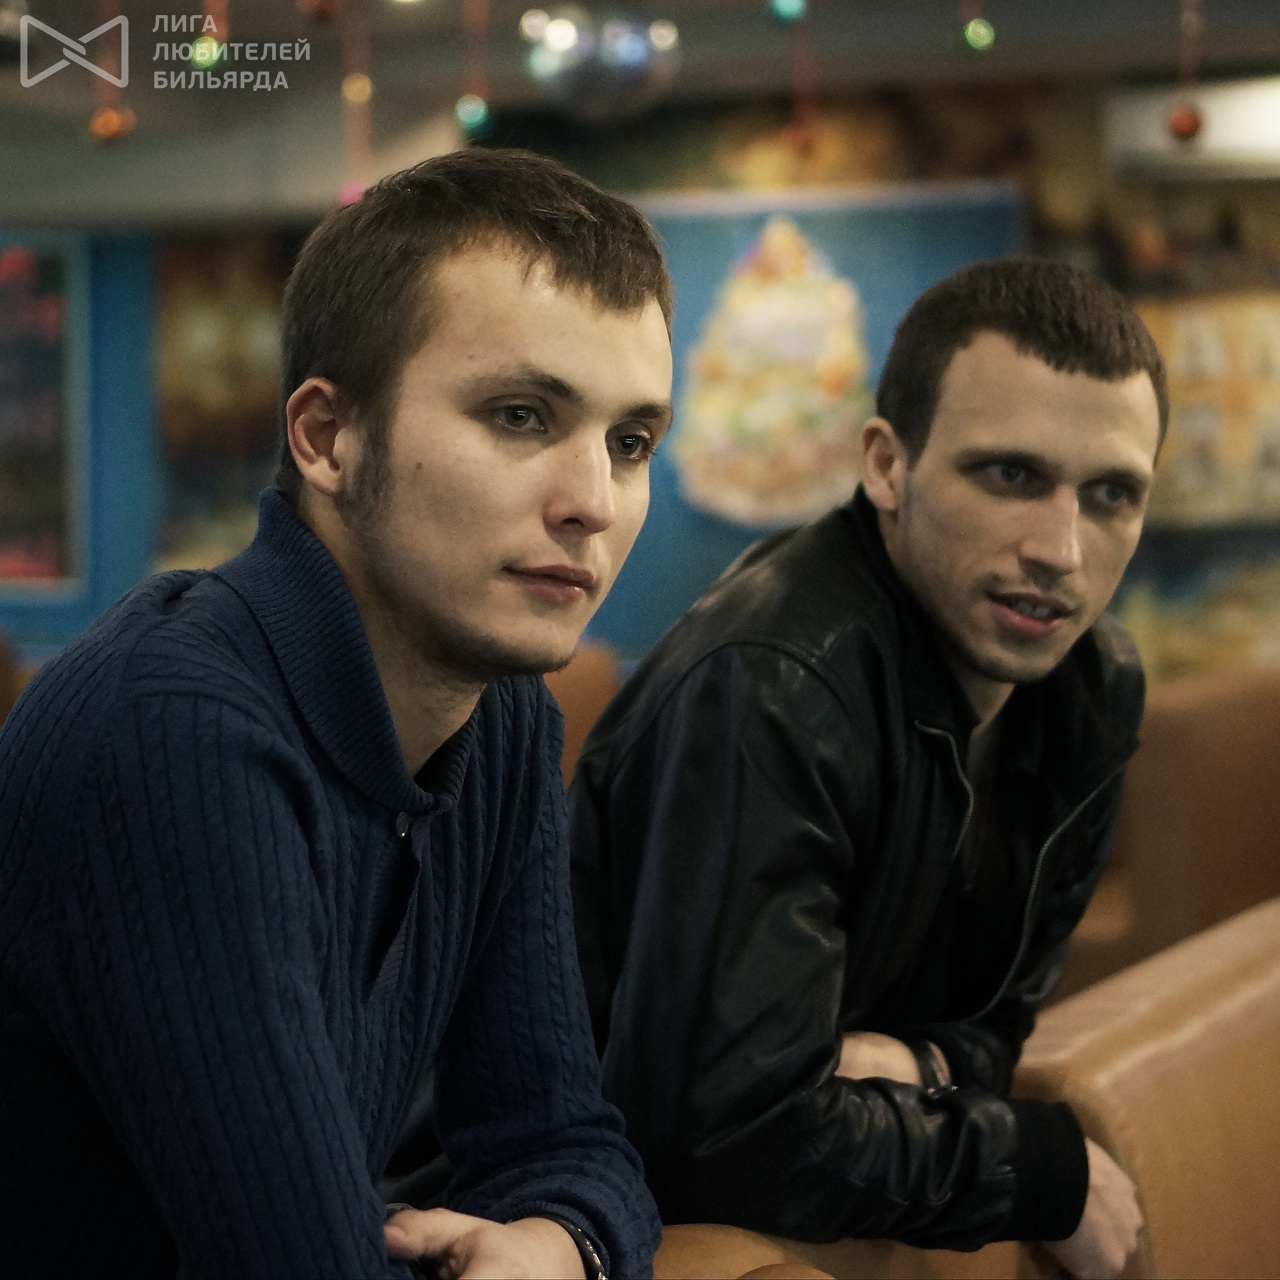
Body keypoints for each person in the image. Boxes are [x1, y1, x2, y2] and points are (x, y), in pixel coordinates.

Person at [0, 149, 674, 1279]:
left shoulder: (501, 714)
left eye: (630, 442)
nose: (593, 503)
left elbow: (563, 1139)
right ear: (325, 437)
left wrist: (565, 1246)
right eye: (520, 415)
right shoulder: (171, 729)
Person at [570, 258, 1163, 1278]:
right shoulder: (772, 685)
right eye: (1010, 475)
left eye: (1110, 493)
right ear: (887, 465)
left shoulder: (1087, 687)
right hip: (561, 1213)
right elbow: (730, 1134)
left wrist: (918, 1061)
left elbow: (993, 1031)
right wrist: (1033, 1168)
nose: (1061, 550)